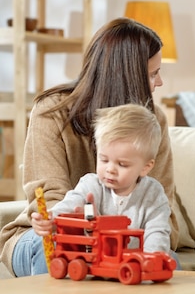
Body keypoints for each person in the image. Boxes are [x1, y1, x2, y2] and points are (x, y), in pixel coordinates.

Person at [0, 17, 179, 277]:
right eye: (152, 73)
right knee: (60, 252)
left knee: (169, 262)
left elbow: (162, 206)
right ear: (127, 77)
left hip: (124, 238)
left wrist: (144, 249)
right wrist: (95, 230)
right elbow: (52, 201)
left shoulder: (152, 121)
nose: (160, 82)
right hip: (51, 234)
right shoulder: (52, 111)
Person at [31, 103, 171, 253]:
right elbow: (70, 204)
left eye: (122, 164)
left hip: (133, 260)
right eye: (104, 160)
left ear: (145, 167)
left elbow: (158, 232)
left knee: (172, 260)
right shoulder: (91, 184)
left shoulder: (153, 194)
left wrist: (150, 259)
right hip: (93, 257)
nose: (110, 169)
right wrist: (52, 219)